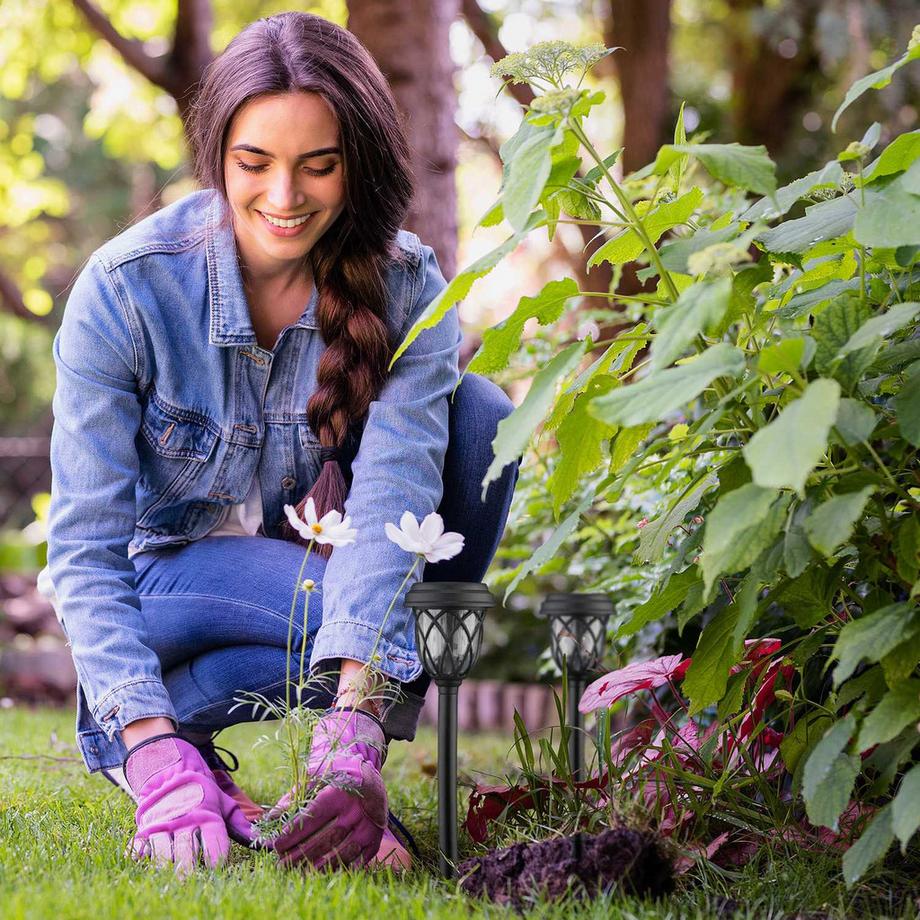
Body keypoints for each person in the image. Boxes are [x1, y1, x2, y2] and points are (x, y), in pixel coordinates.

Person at [38, 12, 520, 874]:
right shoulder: (127, 291)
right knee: (370, 620)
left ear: (358, 162)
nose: (284, 198)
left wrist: (354, 734)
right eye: (254, 164)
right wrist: (151, 757)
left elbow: (395, 498)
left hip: (317, 568)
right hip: (168, 585)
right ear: (217, 155)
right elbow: (83, 548)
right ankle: (149, 737)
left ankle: (205, 733)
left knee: (483, 421)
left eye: (319, 166)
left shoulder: (406, 287)